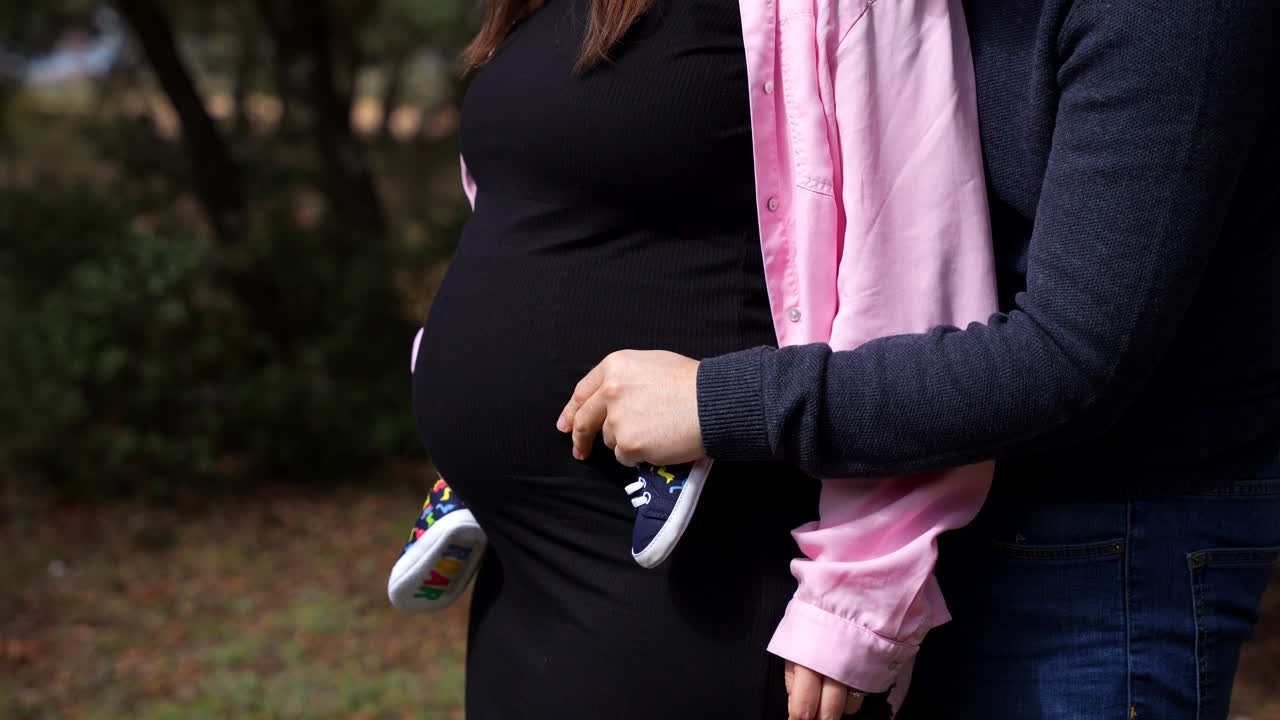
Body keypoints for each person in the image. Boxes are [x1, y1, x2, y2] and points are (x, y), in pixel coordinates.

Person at [559, 0, 1280, 718]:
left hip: (1104, 542)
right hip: (952, 503)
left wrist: (721, 402)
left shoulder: (1172, 19)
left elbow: (1072, 359)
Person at [409, 0, 996, 718]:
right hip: (519, 570)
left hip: (691, 579)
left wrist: (858, 597)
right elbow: (531, 204)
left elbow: (915, 276)